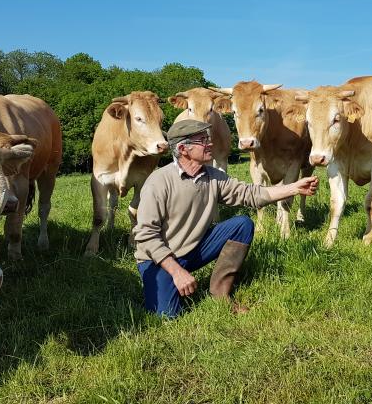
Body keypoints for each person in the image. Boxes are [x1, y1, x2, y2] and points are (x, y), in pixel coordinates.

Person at [133, 119, 318, 318]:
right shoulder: (159, 182)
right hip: (158, 259)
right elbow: (145, 235)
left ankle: (220, 294)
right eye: (203, 140)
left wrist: (294, 187)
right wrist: (177, 272)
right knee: (168, 316)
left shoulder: (214, 177)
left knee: (241, 225)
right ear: (183, 149)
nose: (210, 143)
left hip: (194, 249)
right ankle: (162, 282)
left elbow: (250, 194)